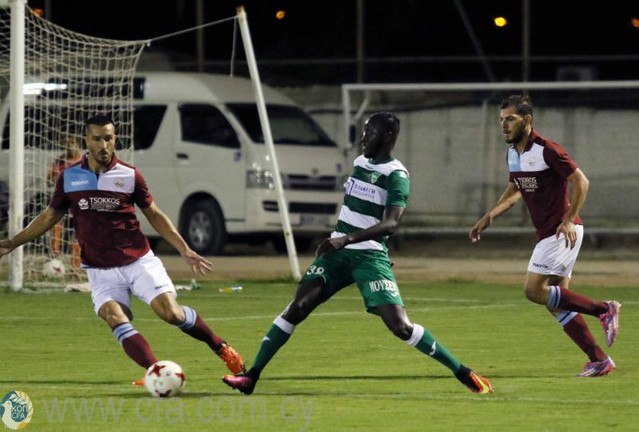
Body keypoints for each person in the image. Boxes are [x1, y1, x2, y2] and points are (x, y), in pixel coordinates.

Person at [223, 111, 493, 395]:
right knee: (298, 307)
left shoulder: (397, 175)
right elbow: (355, 211)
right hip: (337, 253)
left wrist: (348, 240)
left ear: (387, 137)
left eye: (369, 132)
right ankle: (251, 377)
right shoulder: (360, 162)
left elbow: (392, 223)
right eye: (363, 132)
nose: (363, 138)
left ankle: (461, 371)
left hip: (368, 256)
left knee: (400, 326)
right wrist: (340, 239)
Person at [0, 114, 246, 384]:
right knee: (114, 316)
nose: (103, 145)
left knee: (171, 313)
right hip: (99, 270)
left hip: (137, 261)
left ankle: (221, 348)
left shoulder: (130, 175)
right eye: (97, 139)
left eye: (108, 138)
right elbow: (49, 216)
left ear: (115, 138)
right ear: (87, 140)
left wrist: (184, 248)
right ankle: (156, 372)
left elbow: (154, 214)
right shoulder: (69, 177)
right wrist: (12, 243)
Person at [469, 94, 621, 377]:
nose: (503, 125)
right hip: (549, 233)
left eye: (510, 119)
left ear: (527, 120)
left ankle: (604, 309)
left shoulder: (547, 149)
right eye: (501, 120)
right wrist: (489, 217)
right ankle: (599, 360)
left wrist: (567, 220)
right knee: (557, 302)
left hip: (560, 232)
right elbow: (514, 191)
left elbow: (581, 182)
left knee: (533, 291)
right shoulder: (513, 153)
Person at [46, 134, 83, 270]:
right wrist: (56, 178)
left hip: (79, 203)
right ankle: (55, 255)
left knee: (78, 235)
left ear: (78, 144)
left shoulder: (86, 161)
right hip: (63, 202)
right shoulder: (59, 161)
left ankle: (76, 268)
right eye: (66, 143)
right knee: (55, 224)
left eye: (72, 143)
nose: (69, 146)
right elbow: (48, 181)